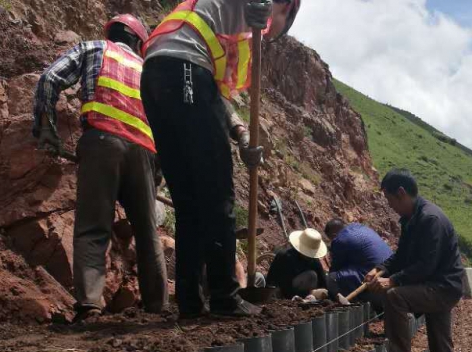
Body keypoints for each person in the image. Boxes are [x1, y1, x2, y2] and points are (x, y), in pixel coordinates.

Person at [141, 0, 301, 318]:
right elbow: (198, 84)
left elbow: (210, 94)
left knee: (189, 203)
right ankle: (224, 296)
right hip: (184, 71)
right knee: (217, 197)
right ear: (285, 7)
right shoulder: (246, 9)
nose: (272, 35)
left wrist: (240, 134)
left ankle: (189, 300)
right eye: (283, 22)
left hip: (156, 76)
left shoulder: (213, 25)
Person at [33, 14, 168, 321]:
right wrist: (156, 175)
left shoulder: (94, 48)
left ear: (113, 34)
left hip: (102, 142)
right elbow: (163, 126)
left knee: (94, 228)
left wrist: (46, 128)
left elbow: (50, 79)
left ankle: (90, 305)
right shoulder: (148, 70)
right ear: (138, 42)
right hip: (144, 153)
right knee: (148, 234)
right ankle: (158, 308)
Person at [365, 169, 467, 352]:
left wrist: (393, 280)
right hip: (440, 286)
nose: (391, 207)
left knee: (395, 297)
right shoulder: (413, 219)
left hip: (442, 287)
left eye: (390, 201)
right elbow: (401, 256)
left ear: (401, 193)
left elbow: (426, 265)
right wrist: (380, 269)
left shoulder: (430, 219)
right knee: (441, 348)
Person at [323, 218, 393, 297]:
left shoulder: (339, 240)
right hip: (389, 270)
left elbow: (336, 268)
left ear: (333, 236)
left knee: (331, 279)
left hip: (373, 277)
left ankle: (357, 300)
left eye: (331, 239)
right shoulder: (361, 227)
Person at [266, 228, 328, 298]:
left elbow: (323, 283)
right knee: (311, 275)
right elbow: (281, 283)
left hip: (304, 295)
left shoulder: (314, 261)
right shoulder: (286, 256)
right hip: (283, 292)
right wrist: (310, 293)